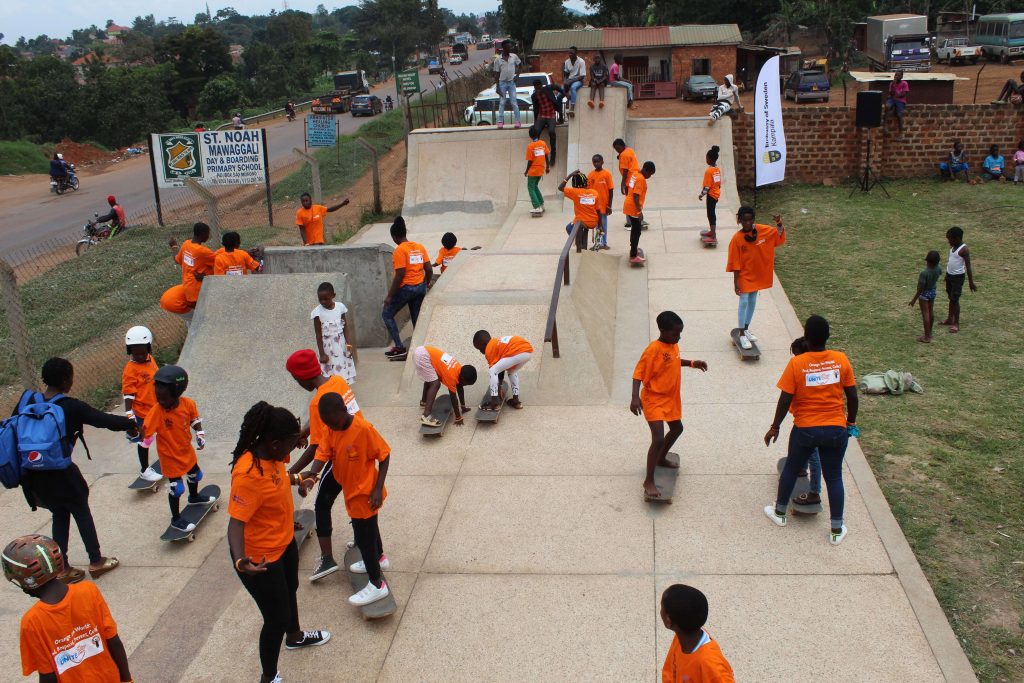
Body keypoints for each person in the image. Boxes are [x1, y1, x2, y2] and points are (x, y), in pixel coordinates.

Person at [228, 402, 331, 683]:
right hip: (260, 559)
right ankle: (269, 677)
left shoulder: (271, 455)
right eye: (290, 444)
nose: (294, 449)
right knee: (275, 619)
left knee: (291, 589)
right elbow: (235, 524)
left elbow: (279, 477)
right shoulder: (248, 476)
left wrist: (299, 477)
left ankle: (295, 637)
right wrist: (240, 561)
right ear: (274, 444)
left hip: (284, 541)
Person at [16, 358, 137, 582]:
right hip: (63, 475)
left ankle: (61, 568)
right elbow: (104, 420)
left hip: (35, 477)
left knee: (59, 514)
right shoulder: (70, 407)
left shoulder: (27, 402)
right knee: (81, 512)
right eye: (71, 377)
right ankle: (96, 561)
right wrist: (133, 423)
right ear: (65, 380)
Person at [764, 314, 858, 546]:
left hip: (806, 429)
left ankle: (780, 513)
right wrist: (851, 423)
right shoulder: (841, 359)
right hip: (836, 429)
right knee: (834, 477)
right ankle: (836, 529)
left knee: (792, 469)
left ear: (806, 337)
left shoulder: (797, 363)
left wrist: (775, 426)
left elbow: (785, 400)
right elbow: (853, 396)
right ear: (828, 337)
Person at [299, 393, 392, 607]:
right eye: (327, 423)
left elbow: (385, 456)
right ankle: (380, 558)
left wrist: (377, 489)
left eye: (333, 421)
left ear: (344, 410)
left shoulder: (363, 429)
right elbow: (323, 453)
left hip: (365, 494)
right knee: (370, 531)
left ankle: (377, 585)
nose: (331, 426)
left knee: (364, 538)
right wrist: (311, 477)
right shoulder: (332, 429)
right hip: (351, 490)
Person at [5, 534, 133, 683]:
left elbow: (48, 675)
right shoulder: (89, 591)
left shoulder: (32, 621)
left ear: (25, 582)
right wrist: (126, 680)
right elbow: (114, 641)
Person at [284, 348, 361, 582]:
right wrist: (302, 432)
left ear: (304, 377)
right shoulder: (336, 381)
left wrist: (294, 472)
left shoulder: (317, 402)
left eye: (296, 380)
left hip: (341, 457)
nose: (298, 383)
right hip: (359, 449)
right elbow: (318, 420)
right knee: (356, 499)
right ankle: (361, 540)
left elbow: (317, 448)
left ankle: (327, 559)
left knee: (322, 504)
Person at [630, 311, 708, 501]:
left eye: (680, 334)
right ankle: (648, 480)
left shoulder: (672, 345)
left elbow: (672, 361)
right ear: (663, 331)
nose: (678, 337)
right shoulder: (653, 349)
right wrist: (634, 398)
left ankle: (661, 458)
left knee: (677, 428)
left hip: (670, 398)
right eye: (675, 334)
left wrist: (691, 363)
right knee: (657, 438)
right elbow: (638, 373)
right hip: (653, 398)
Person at [140, 365, 215, 533]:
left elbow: (194, 420)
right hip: (169, 457)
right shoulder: (156, 412)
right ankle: (175, 519)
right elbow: (145, 432)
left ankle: (194, 497)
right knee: (176, 488)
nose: (161, 402)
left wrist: (200, 433)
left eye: (165, 399)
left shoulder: (187, 404)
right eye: (159, 398)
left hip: (186, 451)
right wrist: (140, 435)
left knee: (196, 475)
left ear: (178, 392)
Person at [725, 207, 786, 347]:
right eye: (744, 220)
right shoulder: (736, 239)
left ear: (753, 219)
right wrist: (736, 282)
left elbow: (778, 236)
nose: (747, 223)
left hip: (757, 274)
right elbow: (734, 261)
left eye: (750, 219)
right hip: (744, 275)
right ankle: (741, 335)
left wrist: (779, 222)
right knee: (744, 301)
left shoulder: (763, 230)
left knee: (752, 301)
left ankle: (746, 329)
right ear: (739, 220)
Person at [660, 583, 735, 683]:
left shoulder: (710, 665)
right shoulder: (680, 638)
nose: (660, 611)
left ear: (669, 621)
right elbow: (670, 672)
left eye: (662, 607)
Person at [382, 216, 432, 359]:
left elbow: (400, 274)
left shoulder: (399, 250)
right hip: (420, 287)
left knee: (386, 314)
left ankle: (399, 347)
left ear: (394, 237)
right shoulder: (419, 247)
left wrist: (390, 296)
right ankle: (422, 348)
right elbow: (428, 269)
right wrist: (426, 283)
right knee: (416, 318)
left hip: (407, 288)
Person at [122, 325, 161, 483]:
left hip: (157, 408)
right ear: (129, 350)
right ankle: (144, 470)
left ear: (149, 348)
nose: (139, 356)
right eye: (134, 353)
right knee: (145, 440)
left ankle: (169, 455)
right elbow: (128, 396)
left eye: (142, 352)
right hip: (142, 413)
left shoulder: (150, 360)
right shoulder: (130, 370)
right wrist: (130, 416)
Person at [787, 337, 822, 508]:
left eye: (797, 356)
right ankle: (801, 467)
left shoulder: (810, 370)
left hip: (812, 421)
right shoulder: (804, 366)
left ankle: (814, 492)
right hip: (803, 418)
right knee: (798, 443)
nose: (795, 359)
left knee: (814, 454)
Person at [161, 222, 215, 319]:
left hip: (188, 289)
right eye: (207, 233)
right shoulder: (202, 251)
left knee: (196, 317)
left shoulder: (186, 244)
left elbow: (177, 259)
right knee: (204, 317)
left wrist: (174, 247)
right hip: (199, 290)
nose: (208, 235)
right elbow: (221, 259)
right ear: (202, 234)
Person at [414, 346, 477, 427]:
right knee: (435, 384)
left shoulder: (458, 368)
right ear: (462, 378)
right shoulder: (451, 376)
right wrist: (458, 417)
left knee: (431, 378)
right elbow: (453, 397)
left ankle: (424, 402)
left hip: (422, 351)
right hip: (423, 356)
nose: (465, 385)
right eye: (466, 383)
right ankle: (426, 416)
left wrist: (463, 406)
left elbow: (460, 387)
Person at [473, 330, 533, 410]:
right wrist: (499, 386)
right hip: (527, 351)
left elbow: (495, 371)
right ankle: (516, 401)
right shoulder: (496, 342)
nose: (480, 352)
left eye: (479, 349)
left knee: (492, 371)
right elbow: (501, 368)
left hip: (517, 350)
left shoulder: (489, 349)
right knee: (512, 371)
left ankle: (494, 403)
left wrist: (498, 388)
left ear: (484, 344)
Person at [311, 281, 357, 384]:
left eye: (326, 299)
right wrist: (322, 354)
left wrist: (348, 344)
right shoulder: (317, 313)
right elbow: (318, 335)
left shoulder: (340, 307)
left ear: (333, 295)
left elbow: (345, 326)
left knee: (343, 368)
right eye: (320, 299)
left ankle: (344, 389)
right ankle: (334, 391)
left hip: (341, 345)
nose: (323, 302)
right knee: (331, 372)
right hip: (328, 349)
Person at [939, 226, 978, 333]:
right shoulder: (953, 248)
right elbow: (951, 262)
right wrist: (947, 275)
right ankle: (949, 318)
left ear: (956, 238)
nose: (948, 242)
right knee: (950, 297)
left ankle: (956, 323)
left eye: (949, 239)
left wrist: (971, 282)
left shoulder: (964, 249)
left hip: (958, 278)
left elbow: (968, 266)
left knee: (954, 299)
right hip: (950, 276)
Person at [558, 170, 600, 250]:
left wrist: (570, 175)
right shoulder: (594, 193)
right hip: (593, 222)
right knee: (582, 230)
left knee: (569, 228)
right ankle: (582, 245)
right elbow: (598, 211)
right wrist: (600, 225)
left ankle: (579, 244)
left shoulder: (575, 192)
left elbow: (560, 187)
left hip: (581, 221)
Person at [624, 161, 656, 265]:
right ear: (646, 170)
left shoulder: (635, 174)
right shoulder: (641, 179)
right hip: (633, 208)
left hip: (628, 205)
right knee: (637, 231)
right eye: (650, 174)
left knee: (635, 229)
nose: (650, 176)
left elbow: (627, 187)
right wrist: (639, 211)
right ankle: (633, 255)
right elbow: (636, 196)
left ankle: (633, 250)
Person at [909, 250, 942, 343]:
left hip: (924, 294)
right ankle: (930, 332)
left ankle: (927, 337)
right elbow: (940, 274)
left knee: (925, 314)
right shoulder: (938, 269)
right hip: (932, 291)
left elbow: (920, 288)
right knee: (931, 312)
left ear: (927, 261)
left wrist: (913, 300)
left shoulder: (924, 273)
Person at [587, 154, 615, 250]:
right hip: (594, 206)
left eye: (598, 161)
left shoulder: (607, 174)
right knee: (597, 225)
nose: (596, 163)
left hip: (603, 205)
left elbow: (611, 190)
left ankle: (604, 242)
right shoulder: (590, 175)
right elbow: (588, 191)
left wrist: (609, 205)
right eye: (594, 162)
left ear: (602, 162)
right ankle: (597, 243)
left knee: (603, 224)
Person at [493, 40, 522, 129]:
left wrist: (517, 75)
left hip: (511, 83)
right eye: (508, 47)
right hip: (502, 83)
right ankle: (500, 122)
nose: (510, 48)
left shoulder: (514, 57)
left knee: (514, 102)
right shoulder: (498, 59)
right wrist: (497, 86)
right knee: (502, 102)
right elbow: (496, 73)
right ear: (504, 48)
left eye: (510, 47)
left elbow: (520, 65)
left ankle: (517, 121)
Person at [530, 79, 561, 163]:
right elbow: (535, 109)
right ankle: (537, 153)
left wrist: (564, 94)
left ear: (541, 86)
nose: (538, 90)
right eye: (536, 89)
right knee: (536, 132)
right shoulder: (534, 96)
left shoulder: (547, 88)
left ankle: (553, 154)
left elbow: (557, 87)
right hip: (542, 115)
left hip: (551, 114)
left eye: (539, 88)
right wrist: (536, 122)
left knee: (551, 131)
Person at [698, 146, 722, 244]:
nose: (706, 159)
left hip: (711, 195)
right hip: (716, 194)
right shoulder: (717, 169)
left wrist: (701, 195)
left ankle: (713, 235)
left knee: (710, 214)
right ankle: (712, 232)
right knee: (712, 213)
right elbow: (718, 183)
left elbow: (707, 187)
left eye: (706, 157)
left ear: (710, 159)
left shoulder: (709, 171)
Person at [525, 127, 551, 216]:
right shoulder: (543, 143)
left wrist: (526, 171)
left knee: (530, 187)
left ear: (530, 136)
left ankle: (537, 207)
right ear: (538, 134)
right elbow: (546, 155)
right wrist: (547, 167)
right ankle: (542, 204)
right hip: (541, 169)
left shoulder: (530, 146)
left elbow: (530, 160)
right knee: (535, 186)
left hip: (533, 170)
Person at [563, 46, 587, 116]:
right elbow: (566, 74)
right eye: (569, 53)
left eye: (572, 53)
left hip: (579, 80)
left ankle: (572, 108)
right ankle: (561, 117)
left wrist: (571, 81)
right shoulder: (567, 62)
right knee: (559, 95)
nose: (570, 54)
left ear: (576, 53)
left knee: (573, 87)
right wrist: (565, 81)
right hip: (569, 80)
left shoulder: (581, 61)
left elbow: (582, 76)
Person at [885, 71, 909, 139]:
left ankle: (901, 133)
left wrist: (896, 95)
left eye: (898, 75)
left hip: (900, 100)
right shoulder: (892, 83)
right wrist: (893, 85)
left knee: (899, 115)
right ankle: (885, 126)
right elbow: (891, 93)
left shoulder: (904, 83)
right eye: (895, 75)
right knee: (887, 106)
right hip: (893, 99)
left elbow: (903, 94)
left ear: (901, 77)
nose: (896, 76)